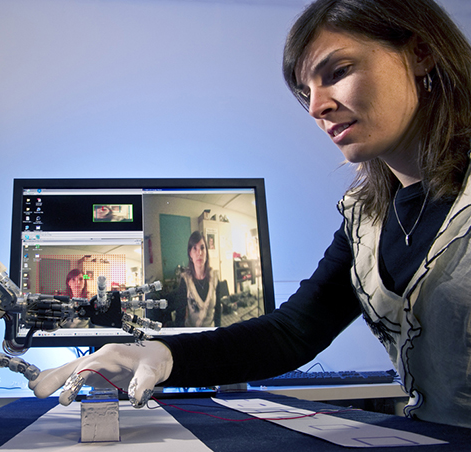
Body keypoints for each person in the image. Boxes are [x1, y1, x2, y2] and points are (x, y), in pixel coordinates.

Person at [29, 0, 471, 428]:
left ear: (420, 53)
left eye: (337, 73)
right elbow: (292, 331)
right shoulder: (366, 218)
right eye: (306, 92)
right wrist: (165, 356)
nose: (317, 107)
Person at [172, 231, 222, 327]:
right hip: (192, 335)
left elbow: (218, 311)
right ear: (190, 254)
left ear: (206, 253)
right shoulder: (185, 280)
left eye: (202, 248)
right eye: (195, 248)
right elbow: (180, 316)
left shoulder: (215, 277)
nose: (199, 253)